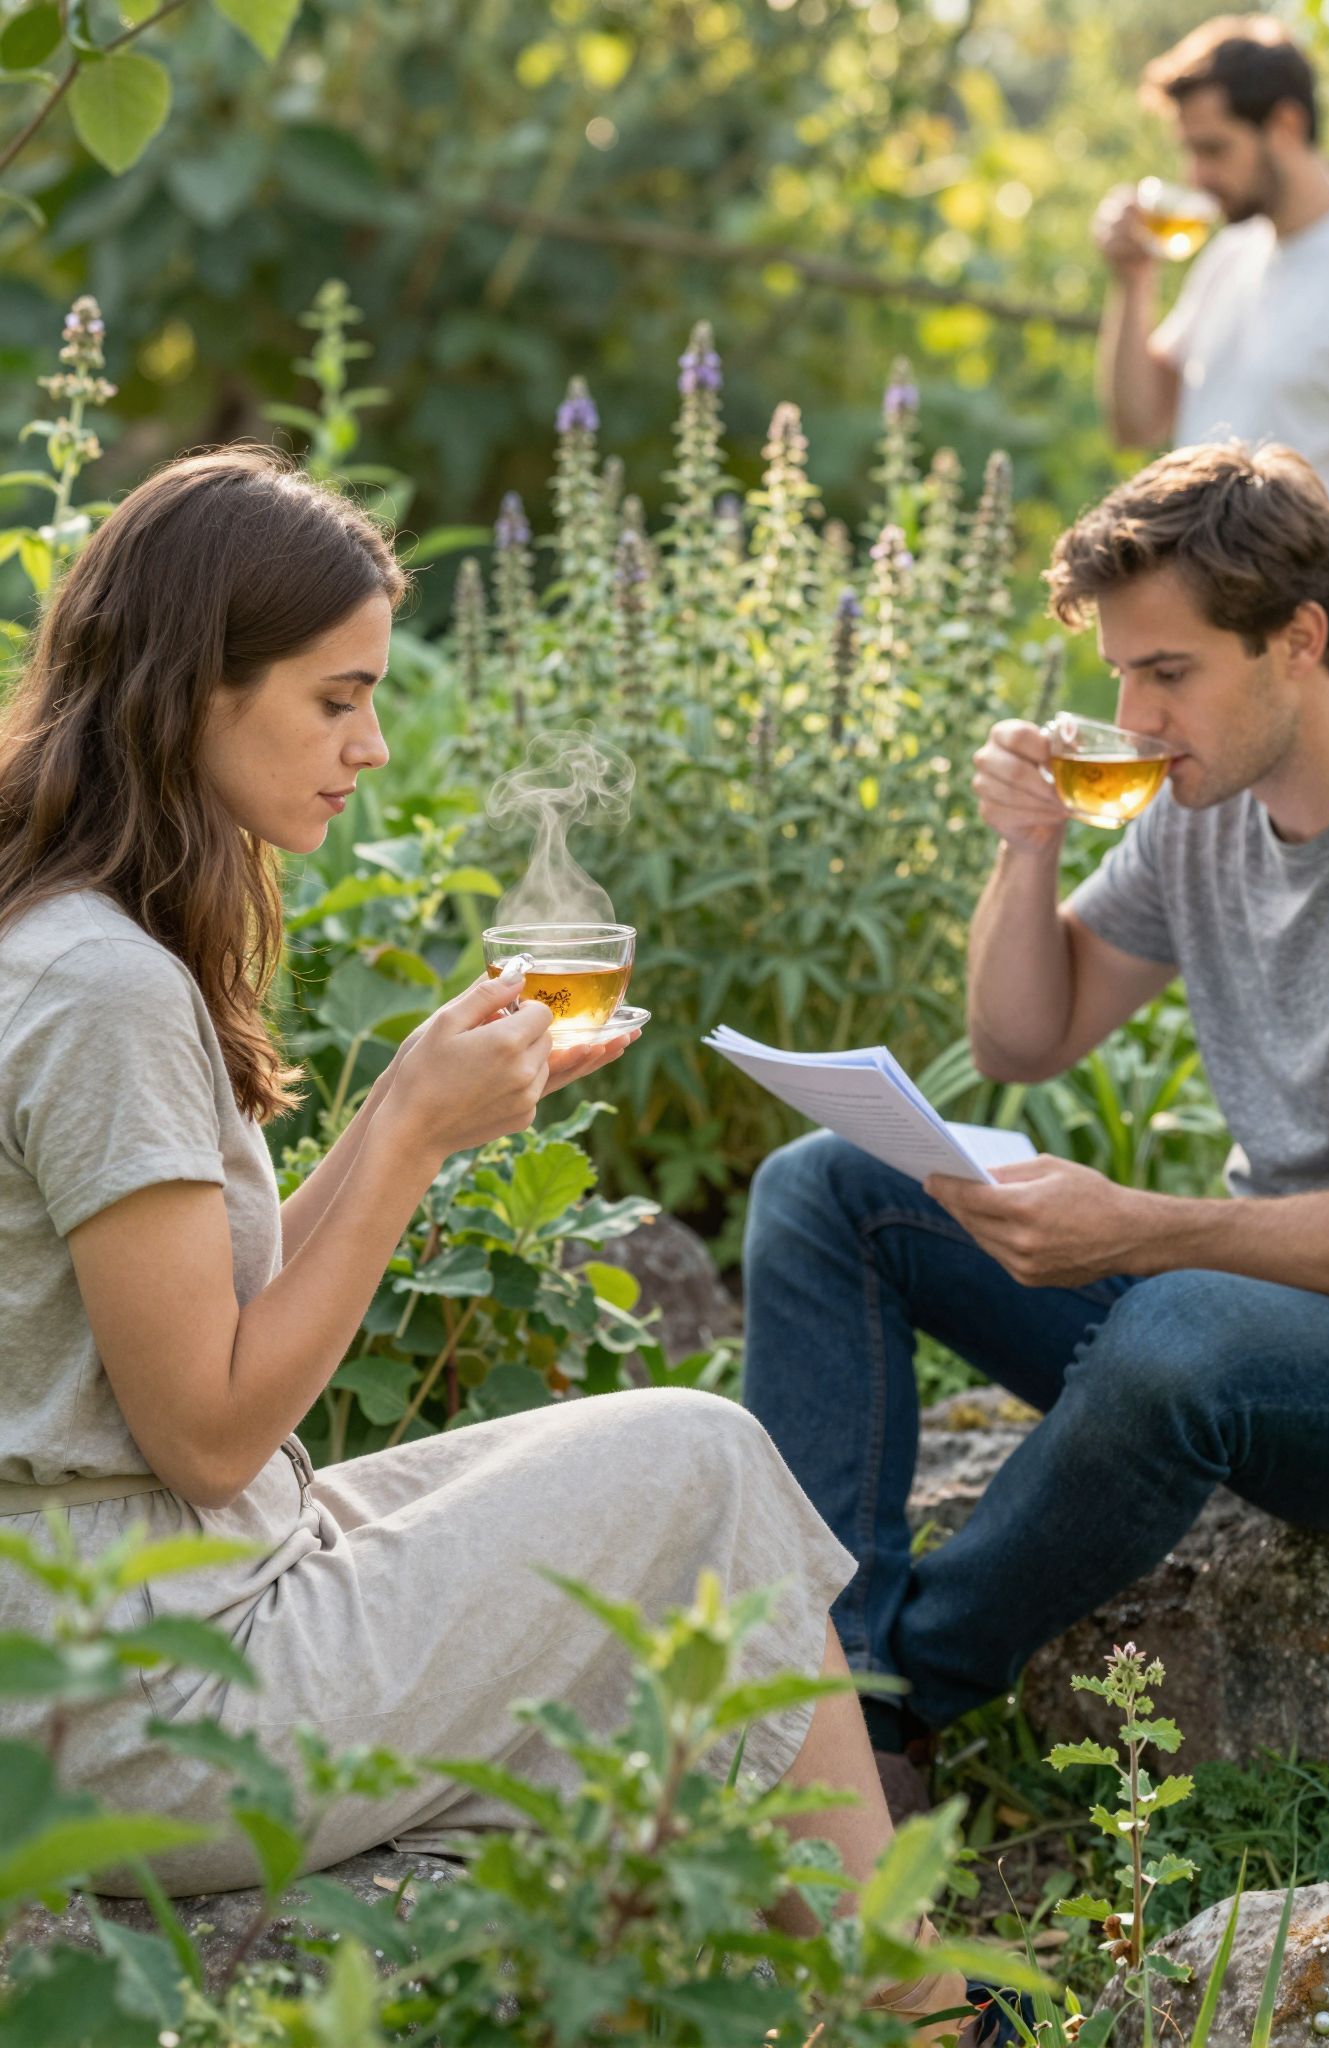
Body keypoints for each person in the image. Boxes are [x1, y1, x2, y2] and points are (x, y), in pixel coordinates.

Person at [0, 446, 1010, 2041]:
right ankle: (925, 2017)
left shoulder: (69, 938)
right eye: (337, 700)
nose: (372, 744)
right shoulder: (103, 991)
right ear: (197, 687)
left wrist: (404, 1103)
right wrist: (408, 1141)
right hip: (138, 1693)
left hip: (144, 1599)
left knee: (666, 1483)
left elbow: (201, 1332)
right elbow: (204, 1429)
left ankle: (854, 1997)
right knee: (702, 1465)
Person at [742, 441, 1329, 1816]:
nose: (1132, 716)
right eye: (1118, 673)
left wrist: (1141, 1231)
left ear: (1300, 639)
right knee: (827, 1189)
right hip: (1274, 1307)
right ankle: (833, 1700)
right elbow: (1023, 1039)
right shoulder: (1206, 810)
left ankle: (896, 1695)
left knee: (1180, 1332)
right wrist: (1028, 844)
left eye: (1166, 672)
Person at [1093, 14, 1329, 686]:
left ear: (1285, 124)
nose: (1197, 175)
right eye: (1189, 151)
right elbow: (1137, 420)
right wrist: (1132, 281)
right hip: (1207, 640)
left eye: (1213, 148)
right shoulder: (1231, 255)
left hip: (1312, 658)